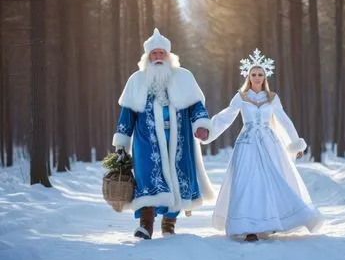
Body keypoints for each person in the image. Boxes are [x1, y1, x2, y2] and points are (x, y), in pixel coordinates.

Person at [202, 49, 323, 242]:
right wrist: (207, 131)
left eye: (260, 74)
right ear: (248, 76)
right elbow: (225, 117)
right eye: (253, 74)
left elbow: (284, 119)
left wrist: (295, 142)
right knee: (247, 183)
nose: (257, 77)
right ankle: (248, 228)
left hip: (269, 144)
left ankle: (270, 222)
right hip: (247, 144)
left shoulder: (272, 97)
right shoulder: (240, 97)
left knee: (272, 181)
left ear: (264, 77)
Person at [112, 28, 214, 240]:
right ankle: (146, 225)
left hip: (180, 141)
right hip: (146, 142)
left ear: (168, 56)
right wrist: (121, 141)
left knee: (177, 179)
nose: (158, 57)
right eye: (154, 54)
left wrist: (201, 124)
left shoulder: (184, 77)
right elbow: (127, 113)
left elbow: (196, 106)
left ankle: (169, 222)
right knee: (148, 179)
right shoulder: (136, 80)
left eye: (161, 53)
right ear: (147, 57)